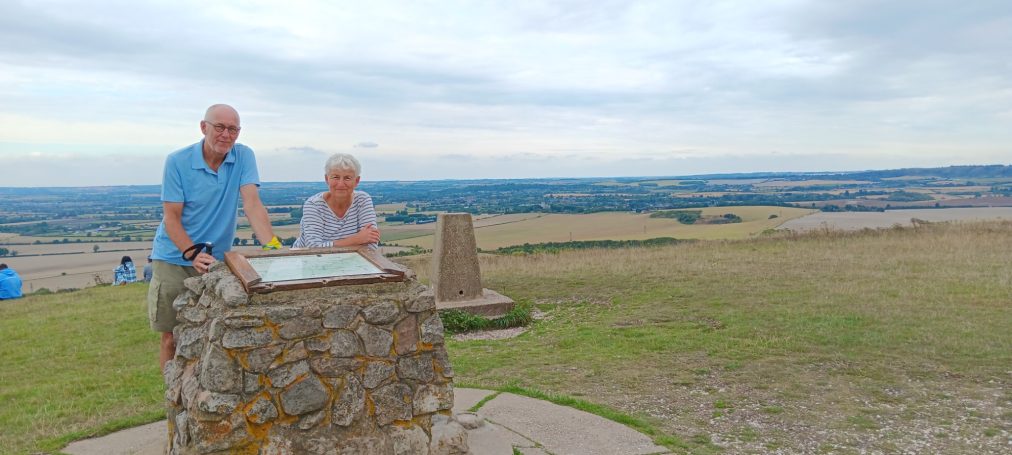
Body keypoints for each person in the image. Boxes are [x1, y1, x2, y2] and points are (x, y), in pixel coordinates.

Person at [148, 104, 280, 370]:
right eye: (219, 127)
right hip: (175, 258)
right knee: (170, 337)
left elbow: (252, 203)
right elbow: (171, 217)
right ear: (203, 127)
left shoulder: (243, 156)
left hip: (217, 261)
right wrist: (192, 253)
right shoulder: (177, 161)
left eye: (233, 129)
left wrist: (273, 247)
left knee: (214, 333)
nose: (226, 135)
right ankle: (172, 400)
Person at [292, 153, 380, 250]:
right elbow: (313, 248)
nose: (341, 184)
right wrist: (355, 240)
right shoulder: (314, 205)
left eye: (347, 178)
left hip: (350, 261)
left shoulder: (362, 200)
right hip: (309, 260)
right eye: (335, 177)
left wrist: (329, 245)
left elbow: (371, 244)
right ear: (327, 179)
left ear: (357, 181)